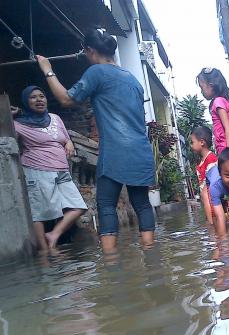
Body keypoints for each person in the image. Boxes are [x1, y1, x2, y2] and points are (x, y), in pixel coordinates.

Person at [35, 29, 156, 253]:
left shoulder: (97, 72)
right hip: (141, 150)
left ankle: (110, 263)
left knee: (106, 204)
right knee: (142, 204)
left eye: (85, 52)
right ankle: (150, 254)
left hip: (116, 151)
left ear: (90, 50)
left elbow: (65, 99)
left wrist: (48, 70)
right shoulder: (133, 80)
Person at [11, 86, 87, 251]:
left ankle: (53, 235)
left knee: (78, 206)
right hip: (37, 169)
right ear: (25, 102)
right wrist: (8, 118)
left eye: (42, 96)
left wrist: (69, 143)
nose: (39, 100)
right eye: (33, 97)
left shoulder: (55, 118)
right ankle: (45, 251)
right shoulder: (17, 125)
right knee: (40, 212)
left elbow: (65, 138)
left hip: (62, 169)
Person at [196, 68, 229, 155]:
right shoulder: (224, 101)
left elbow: (228, 128)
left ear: (211, 85)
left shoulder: (218, 102)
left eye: (202, 88)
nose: (201, 92)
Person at [191, 126, 218, 224]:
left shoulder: (211, 160)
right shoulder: (202, 162)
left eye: (192, 142)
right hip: (209, 204)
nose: (191, 145)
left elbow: (211, 187)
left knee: (215, 227)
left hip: (214, 202)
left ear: (202, 142)